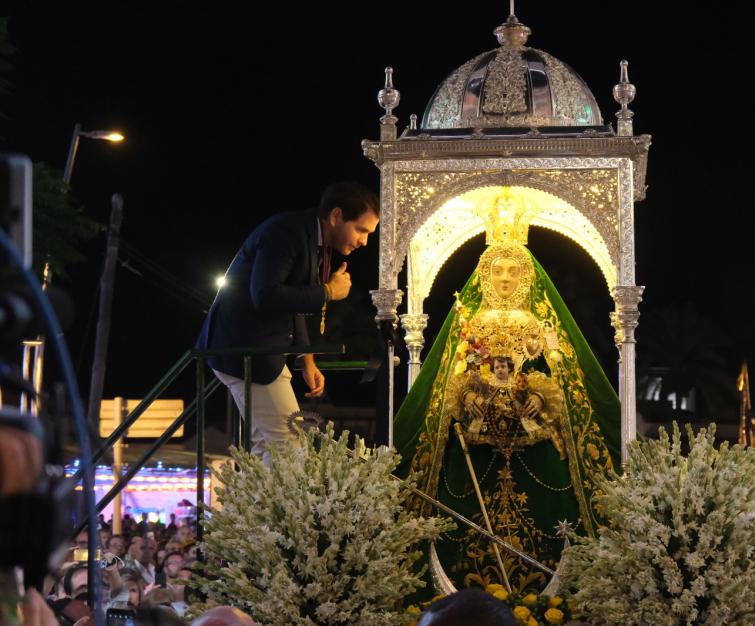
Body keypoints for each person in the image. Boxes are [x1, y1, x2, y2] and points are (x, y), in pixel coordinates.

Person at [396, 239, 621, 593]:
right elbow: (456, 371)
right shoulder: (473, 321)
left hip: (529, 430)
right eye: (497, 271)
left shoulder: (535, 322)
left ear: (525, 277)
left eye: (513, 272)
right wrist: (468, 393)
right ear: (485, 276)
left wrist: (535, 394)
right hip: (478, 429)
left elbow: (555, 368)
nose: (505, 279)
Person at [196, 181, 379, 464]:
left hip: (255, 351)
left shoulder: (311, 236)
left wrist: (306, 358)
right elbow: (266, 295)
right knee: (290, 445)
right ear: (336, 216)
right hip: (247, 351)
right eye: (361, 230)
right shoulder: (286, 232)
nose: (364, 241)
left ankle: (256, 509)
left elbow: (292, 301)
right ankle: (282, 509)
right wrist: (328, 292)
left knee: (267, 447)